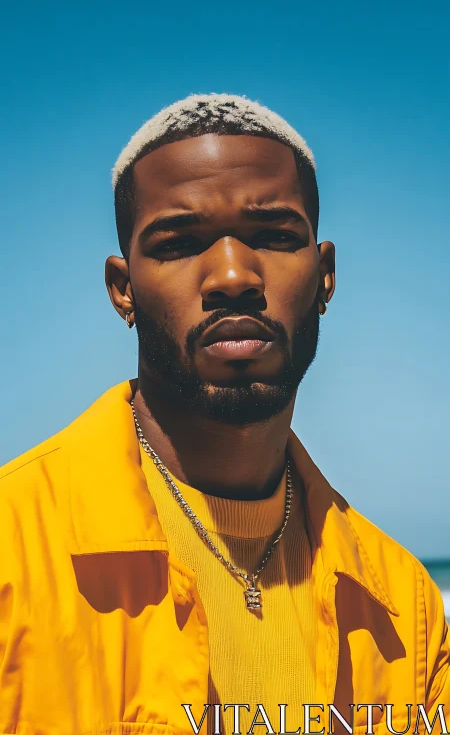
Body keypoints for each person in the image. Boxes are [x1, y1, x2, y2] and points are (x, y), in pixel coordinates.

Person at [0, 93, 448, 735]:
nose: (233, 275)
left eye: (273, 236)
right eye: (179, 243)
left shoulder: (404, 610)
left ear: (324, 278)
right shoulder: (11, 552)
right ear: (124, 290)